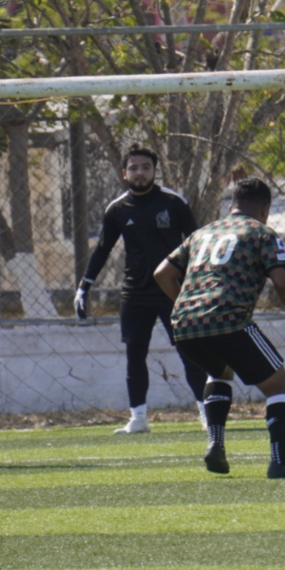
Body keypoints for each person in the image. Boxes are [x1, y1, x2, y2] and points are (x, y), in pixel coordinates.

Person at [154, 177, 285, 479]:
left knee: (219, 373)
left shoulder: (202, 233)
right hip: (229, 320)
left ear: (231, 205)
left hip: (184, 325)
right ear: (265, 209)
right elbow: (282, 282)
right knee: (279, 388)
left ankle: (215, 444)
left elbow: (162, 273)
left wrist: (187, 305)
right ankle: (281, 463)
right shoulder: (262, 233)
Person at [75, 145, 208, 434]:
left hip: (173, 291)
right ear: (124, 173)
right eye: (133, 168)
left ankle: (206, 412)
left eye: (145, 167)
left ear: (154, 170)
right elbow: (102, 248)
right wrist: (84, 287)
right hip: (134, 294)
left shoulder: (173, 202)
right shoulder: (117, 209)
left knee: (189, 351)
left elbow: (197, 242)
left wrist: (199, 282)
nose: (139, 173)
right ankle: (138, 418)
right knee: (135, 355)